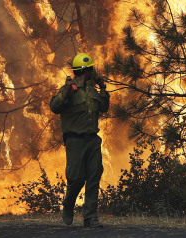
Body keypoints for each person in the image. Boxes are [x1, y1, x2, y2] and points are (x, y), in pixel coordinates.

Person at [50, 53, 110, 228]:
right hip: (75, 141)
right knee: (76, 179)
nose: (94, 71)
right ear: (87, 70)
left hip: (92, 141)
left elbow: (104, 108)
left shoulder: (92, 91)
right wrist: (66, 92)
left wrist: (103, 88)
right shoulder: (69, 89)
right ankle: (68, 206)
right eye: (92, 69)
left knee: (94, 176)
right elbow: (54, 107)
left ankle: (90, 217)